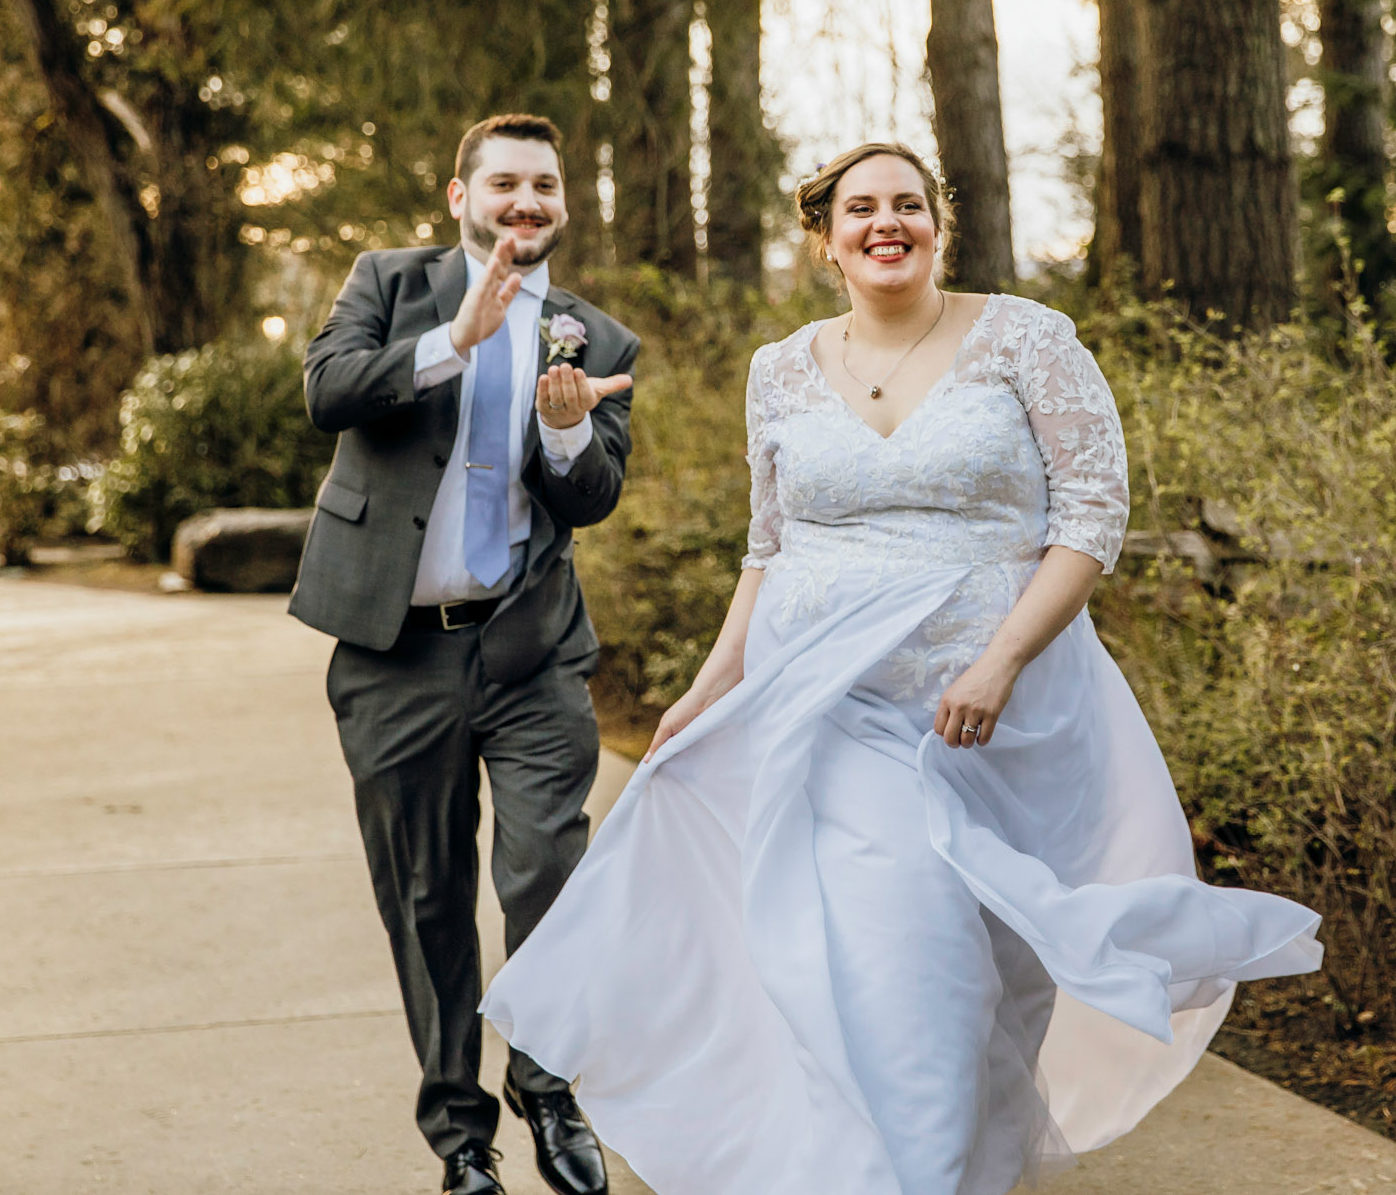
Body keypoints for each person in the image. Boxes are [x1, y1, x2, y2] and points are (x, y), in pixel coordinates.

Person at [480, 141, 1323, 1194]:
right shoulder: (779, 367)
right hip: (829, 713)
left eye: (908, 205)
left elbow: (1091, 519)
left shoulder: (1027, 338)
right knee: (901, 965)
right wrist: (705, 691)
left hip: (998, 716)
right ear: (825, 238)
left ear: (938, 224)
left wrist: (1001, 660)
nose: (887, 222)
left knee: (989, 984)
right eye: (861, 208)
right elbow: (769, 549)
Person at [290, 113, 637, 1195]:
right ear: (460, 198)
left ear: (563, 204)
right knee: (427, 893)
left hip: (528, 649)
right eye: (503, 184)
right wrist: (458, 343)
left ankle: (546, 1084)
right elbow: (326, 389)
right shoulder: (388, 284)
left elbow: (593, 496)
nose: (524, 202)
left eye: (544, 184)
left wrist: (570, 427)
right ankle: (460, 1139)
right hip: (394, 652)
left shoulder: (597, 336)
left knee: (546, 870)